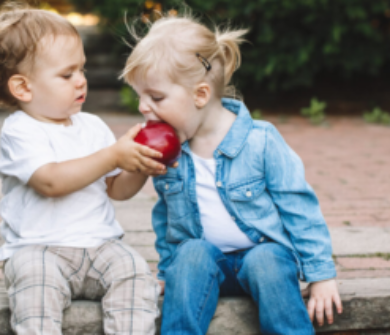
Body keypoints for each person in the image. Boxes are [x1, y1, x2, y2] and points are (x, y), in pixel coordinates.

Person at [120, 10, 343, 335]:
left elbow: (300, 209)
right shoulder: (172, 151)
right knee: (191, 253)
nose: (142, 107)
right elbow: (167, 218)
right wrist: (171, 270)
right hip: (205, 264)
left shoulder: (260, 141)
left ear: (200, 95)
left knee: (267, 258)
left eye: (155, 97)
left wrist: (321, 275)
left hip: (263, 259)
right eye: (140, 96)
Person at [0, 3, 164, 334]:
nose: (80, 81)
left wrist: (139, 164)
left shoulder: (91, 126)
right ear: (23, 88)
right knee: (34, 282)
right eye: (66, 74)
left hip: (101, 245)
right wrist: (112, 156)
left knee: (134, 271)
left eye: (82, 70)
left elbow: (115, 189)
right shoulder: (21, 130)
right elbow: (50, 181)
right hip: (38, 249)